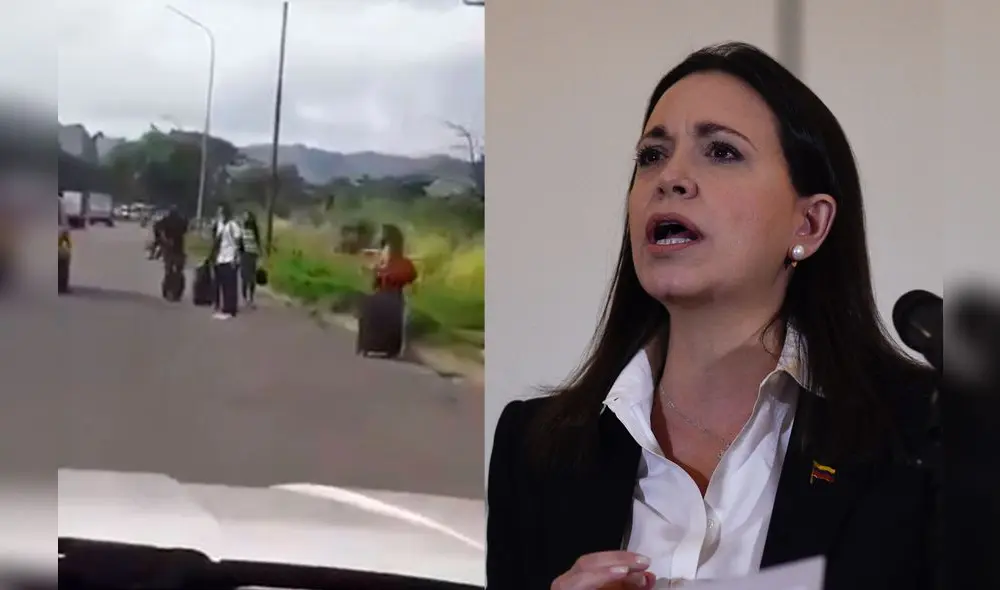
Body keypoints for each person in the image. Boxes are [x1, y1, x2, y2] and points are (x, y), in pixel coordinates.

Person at [486, 42, 936, 590]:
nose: (670, 178)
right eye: (652, 155)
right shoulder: (535, 448)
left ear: (810, 225)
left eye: (721, 152)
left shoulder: (925, 437)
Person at [209, 203, 242, 320]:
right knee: (221, 284)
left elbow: (238, 241)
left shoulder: (232, 225)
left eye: (220, 212)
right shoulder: (219, 225)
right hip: (220, 258)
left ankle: (231, 308)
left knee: (230, 285)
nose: (219, 214)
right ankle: (222, 305)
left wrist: (236, 257)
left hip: (230, 258)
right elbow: (216, 241)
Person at [154, 206, 188, 286]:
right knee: (178, 267)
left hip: (169, 246)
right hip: (178, 247)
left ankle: (169, 280)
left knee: (169, 267)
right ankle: (174, 280)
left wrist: (161, 239)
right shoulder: (181, 220)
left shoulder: (166, 220)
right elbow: (185, 229)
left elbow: (158, 229)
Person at [239, 210, 262, 307]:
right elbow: (257, 242)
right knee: (248, 277)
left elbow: (256, 241)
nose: (244, 217)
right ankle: (248, 298)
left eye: (246, 215)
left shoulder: (246, 229)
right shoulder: (244, 228)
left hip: (248, 254)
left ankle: (247, 297)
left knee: (248, 277)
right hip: (249, 254)